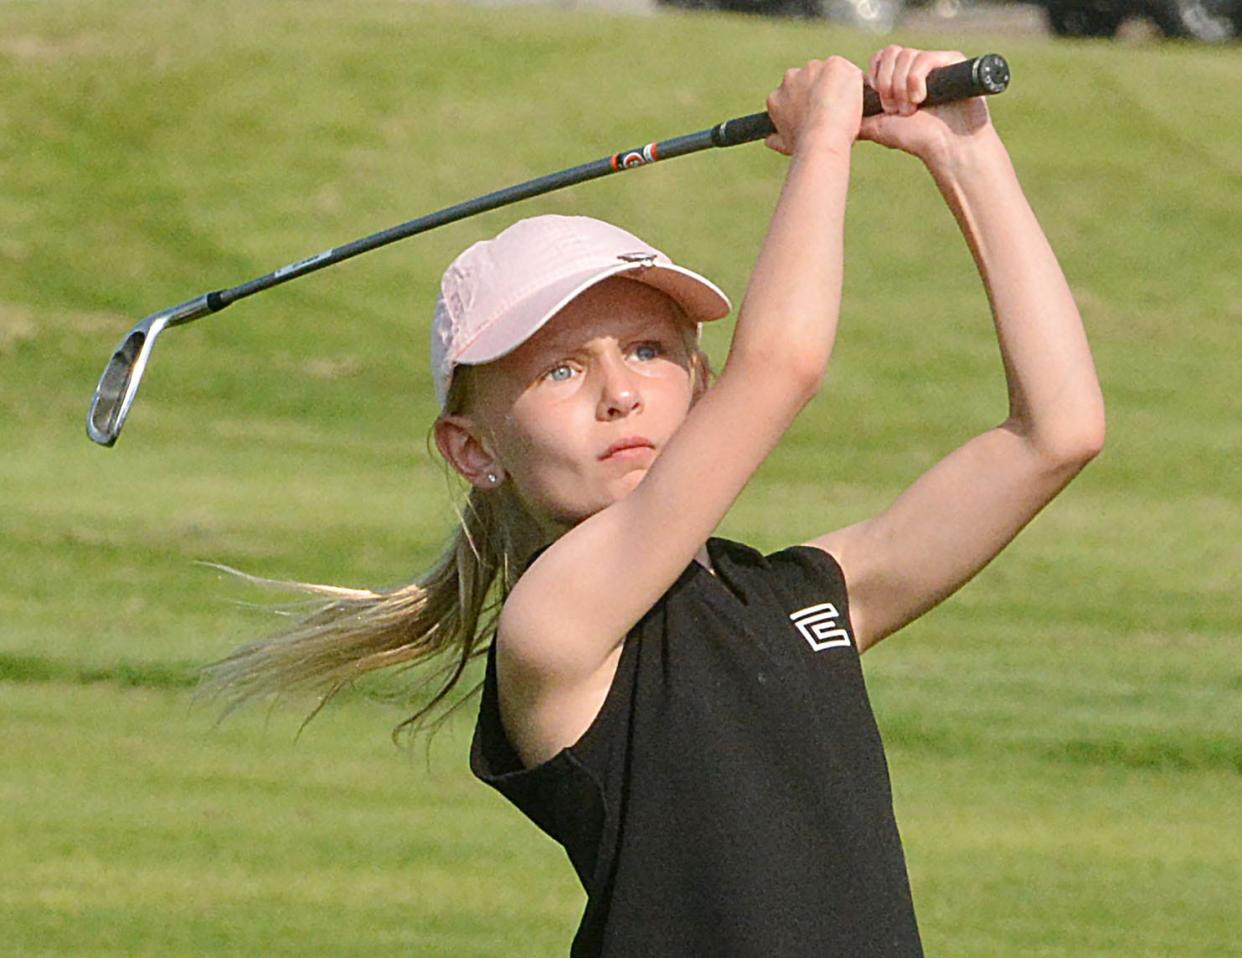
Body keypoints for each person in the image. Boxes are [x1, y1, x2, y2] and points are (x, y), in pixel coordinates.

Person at [203, 46, 1105, 957]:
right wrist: (826, 137)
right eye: (561, 369)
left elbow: (1056, 432)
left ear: (699, 386)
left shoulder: (805, 601)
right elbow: (784, 363)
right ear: (474, 450)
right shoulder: (555, 626)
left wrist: (965, 154)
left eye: (647, 350)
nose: (620, 394)